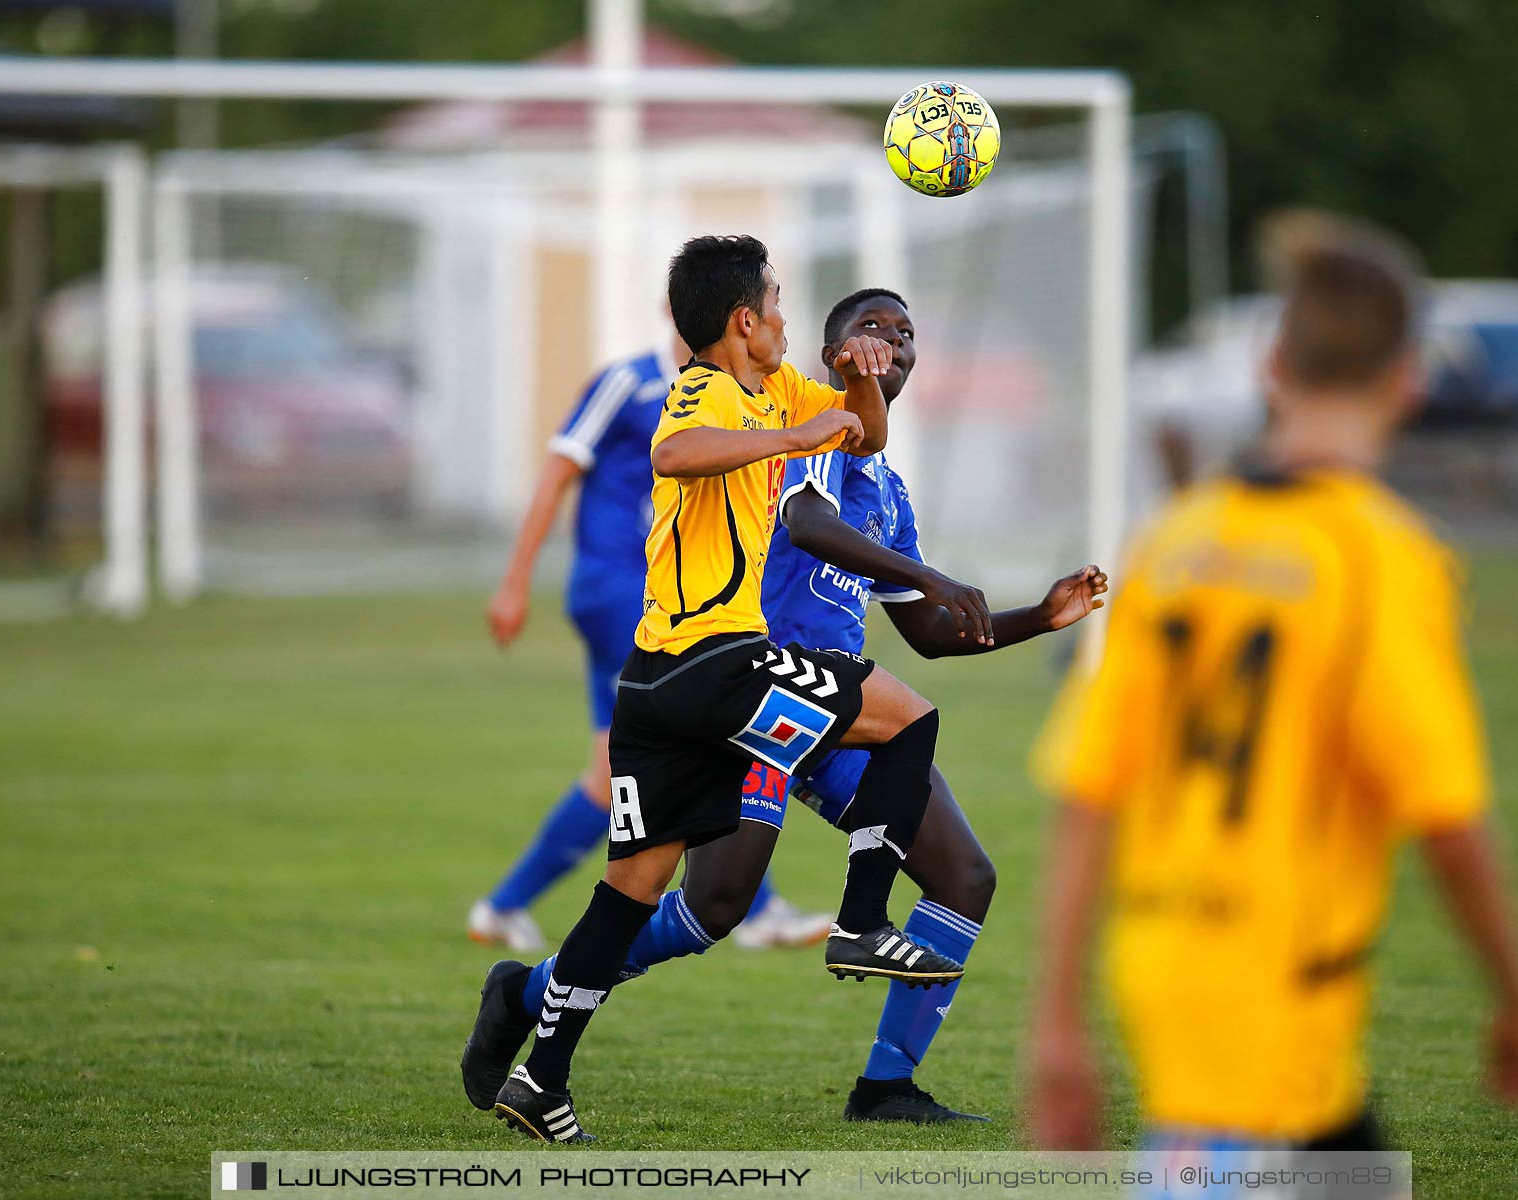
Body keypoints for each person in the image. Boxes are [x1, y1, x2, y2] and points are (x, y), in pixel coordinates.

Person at [467, 287, 1109, 1127]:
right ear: (833, 349)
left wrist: (1038, 617)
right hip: (757, 698)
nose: (894, 341)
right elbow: (804, 525)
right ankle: (541, 991)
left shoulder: (885, 486)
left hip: (836, 710)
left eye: (908, 332)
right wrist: (929, 574)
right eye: (872, 327)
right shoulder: (805, 427)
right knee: (711, 906)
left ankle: (885, 1087)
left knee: (956, 876)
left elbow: (927, 635)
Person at [1028, 225, 1518, 1162]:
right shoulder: (1382, 556)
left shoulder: (1175, 543)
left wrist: (1058, 1023)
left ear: (1272, 365)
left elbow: (1087, 792)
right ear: (1409, 380)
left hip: (1158, 959)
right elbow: (1448, 819)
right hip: (1277, 983)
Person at [467, 324, 830, 953]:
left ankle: (503, 907)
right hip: (622, 592)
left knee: (616, 772)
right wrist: (515, 579)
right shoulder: (629, 383)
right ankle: (757, 907)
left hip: (658, 595)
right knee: (704, 727)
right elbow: (559, 468)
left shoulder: (739, 392)